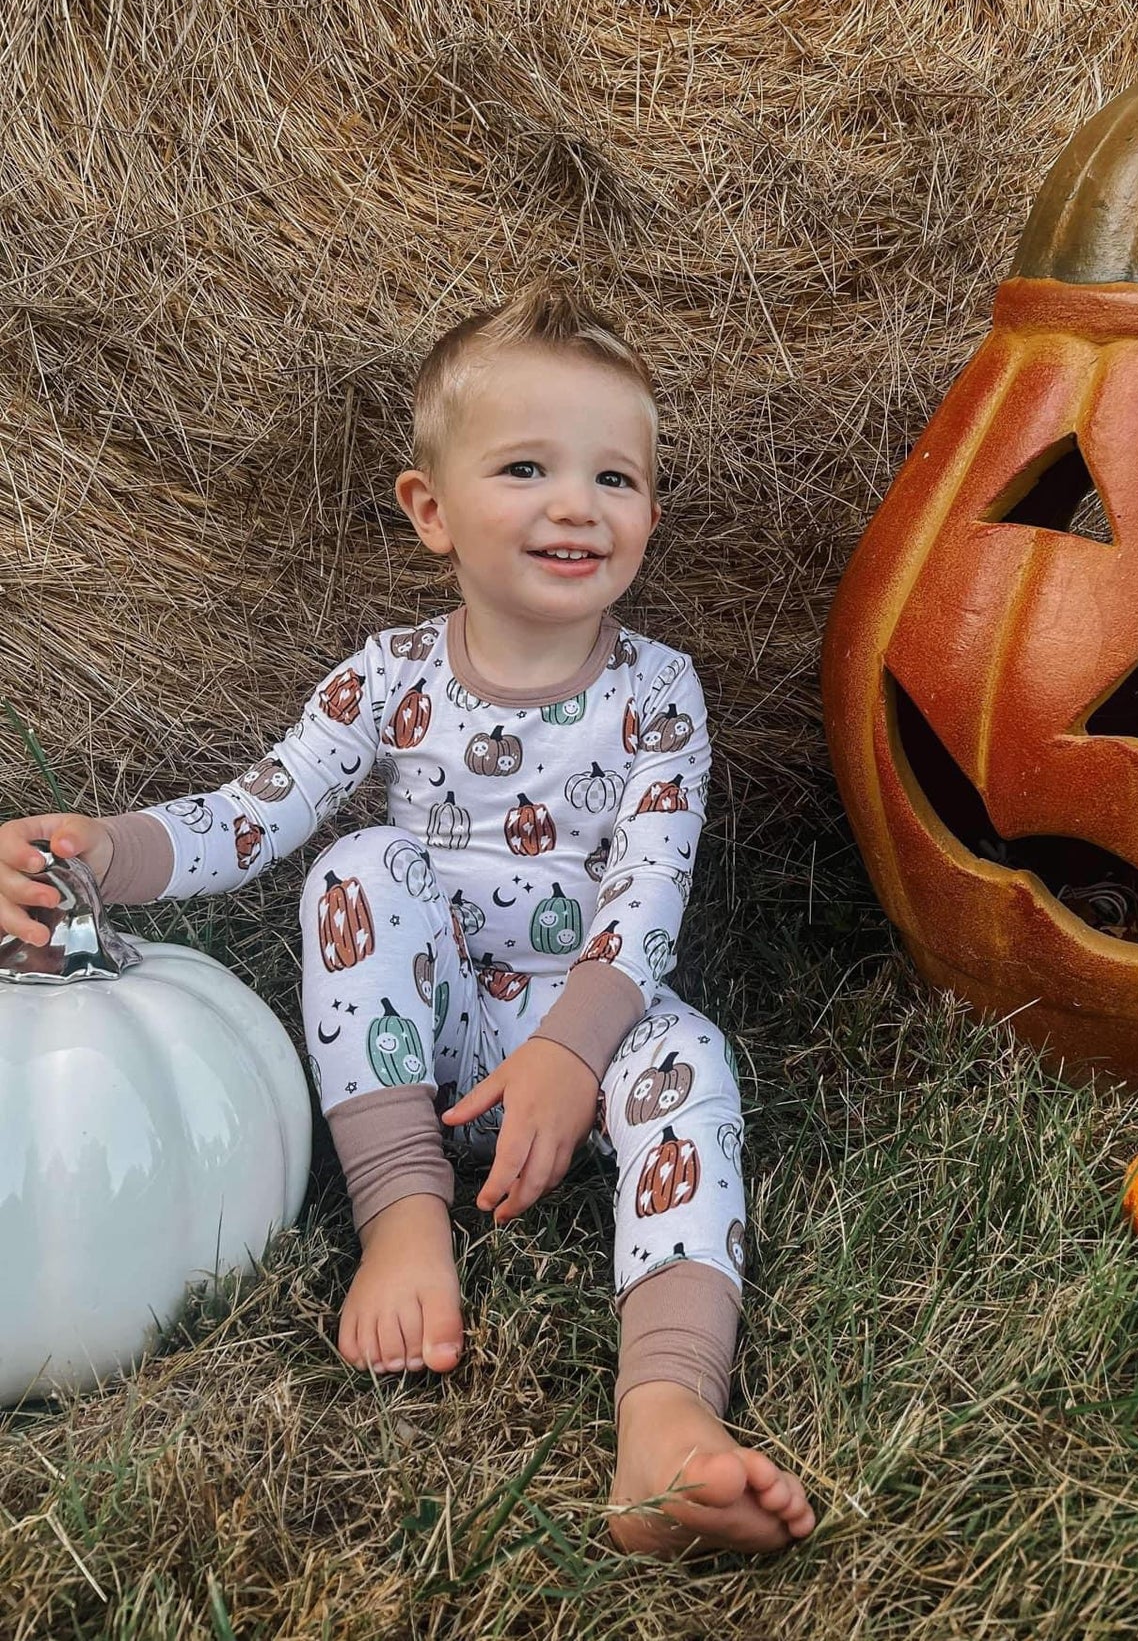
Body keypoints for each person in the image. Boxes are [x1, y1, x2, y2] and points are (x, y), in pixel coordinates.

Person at [0, 282, 815, 1555]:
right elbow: (253, 814)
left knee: (693, 1060)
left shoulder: (659, 692)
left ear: (649, 510)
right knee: (360, 865)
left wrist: (570, 1050)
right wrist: (109, 848)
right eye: (527, 467)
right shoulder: (388, 675)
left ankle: (665, 1415)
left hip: (588, 1018)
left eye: (616, 475)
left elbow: (647, 896)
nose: (575, 504)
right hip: (420, 1029)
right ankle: (402, 1223)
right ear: (429, 511)